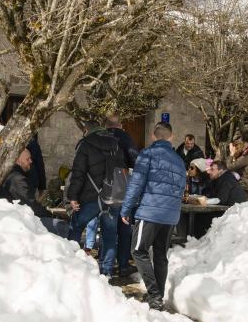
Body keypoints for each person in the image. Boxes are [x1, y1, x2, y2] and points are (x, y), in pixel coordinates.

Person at [120, 122, 186, 311]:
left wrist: (126, 209)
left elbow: (136, 184)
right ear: (171, 137)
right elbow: (181, 188)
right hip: (170, 215)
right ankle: (158, 296)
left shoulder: (147, 154)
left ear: (153, 136)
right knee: (160, 255)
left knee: (138, 251)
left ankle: (155, 295)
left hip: (150, 212)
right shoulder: (179, 160)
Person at [66, 120, 126, 277]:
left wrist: (72, 196)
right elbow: (121, 170)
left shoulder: (85, 144)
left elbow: (78, 173)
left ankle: (71, 265)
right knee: (110, 234)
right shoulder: (116, 144)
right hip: (112, 196)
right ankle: (106, 271)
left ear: (87, 130)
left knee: (76, 227)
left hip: (91, 197)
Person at [0, 147, 67, 236]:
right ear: (18, 161)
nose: (31, 161)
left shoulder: (14, 175)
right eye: (27, 159)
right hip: (19, 220)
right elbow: (30, 205)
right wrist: (50, 215)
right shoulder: (17, 179)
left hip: (17, 217)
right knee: (61, 226)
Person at [105, 115, 139, 275]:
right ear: (120, 125)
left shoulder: (99, 137)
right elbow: (135, 159)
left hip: (103, 189)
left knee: (107, 229)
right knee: (124, 228)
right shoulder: (124, 137)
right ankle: (123, 265)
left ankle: (107, 266)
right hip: (121, 186)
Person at [26, 134, 46, 199]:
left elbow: (40, 165)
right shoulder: (33, 144)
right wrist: (41, 187)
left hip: (28, 179)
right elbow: (40, 166)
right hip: (29, 179)